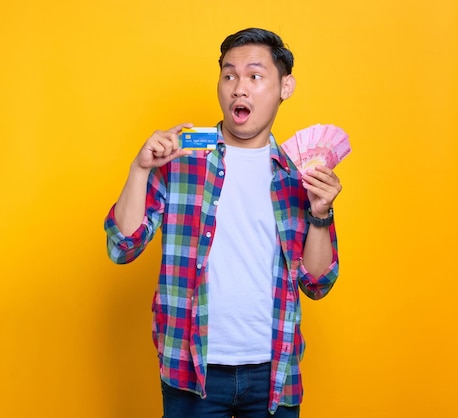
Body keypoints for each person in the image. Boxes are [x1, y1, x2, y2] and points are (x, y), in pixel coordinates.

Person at [104, 27, 342, 418]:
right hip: (190, 367)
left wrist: (320, 213)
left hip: (274, 373)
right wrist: (139, 169)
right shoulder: (181, 158)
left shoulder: (299, 173)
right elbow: (122, 246)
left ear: (285, 86)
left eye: (254, 75)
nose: (239, 88)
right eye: (229, 75)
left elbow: (317, 284)